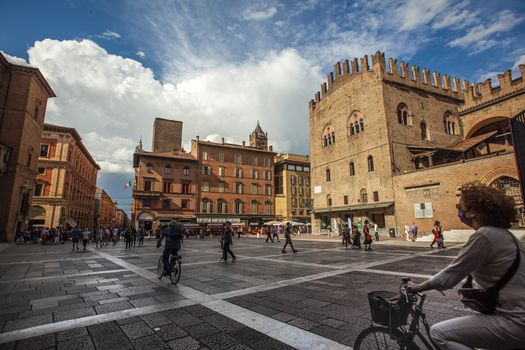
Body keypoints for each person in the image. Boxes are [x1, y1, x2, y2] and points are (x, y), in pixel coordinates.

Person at [407, 182, 525, 349]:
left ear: (472, 211)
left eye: (459, 206)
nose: (458, 210)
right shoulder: (507, 236)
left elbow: (451, 274)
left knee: (438, 333)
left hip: (514, 320)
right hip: (515, 315)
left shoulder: (484, 235)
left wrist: (417, 287)